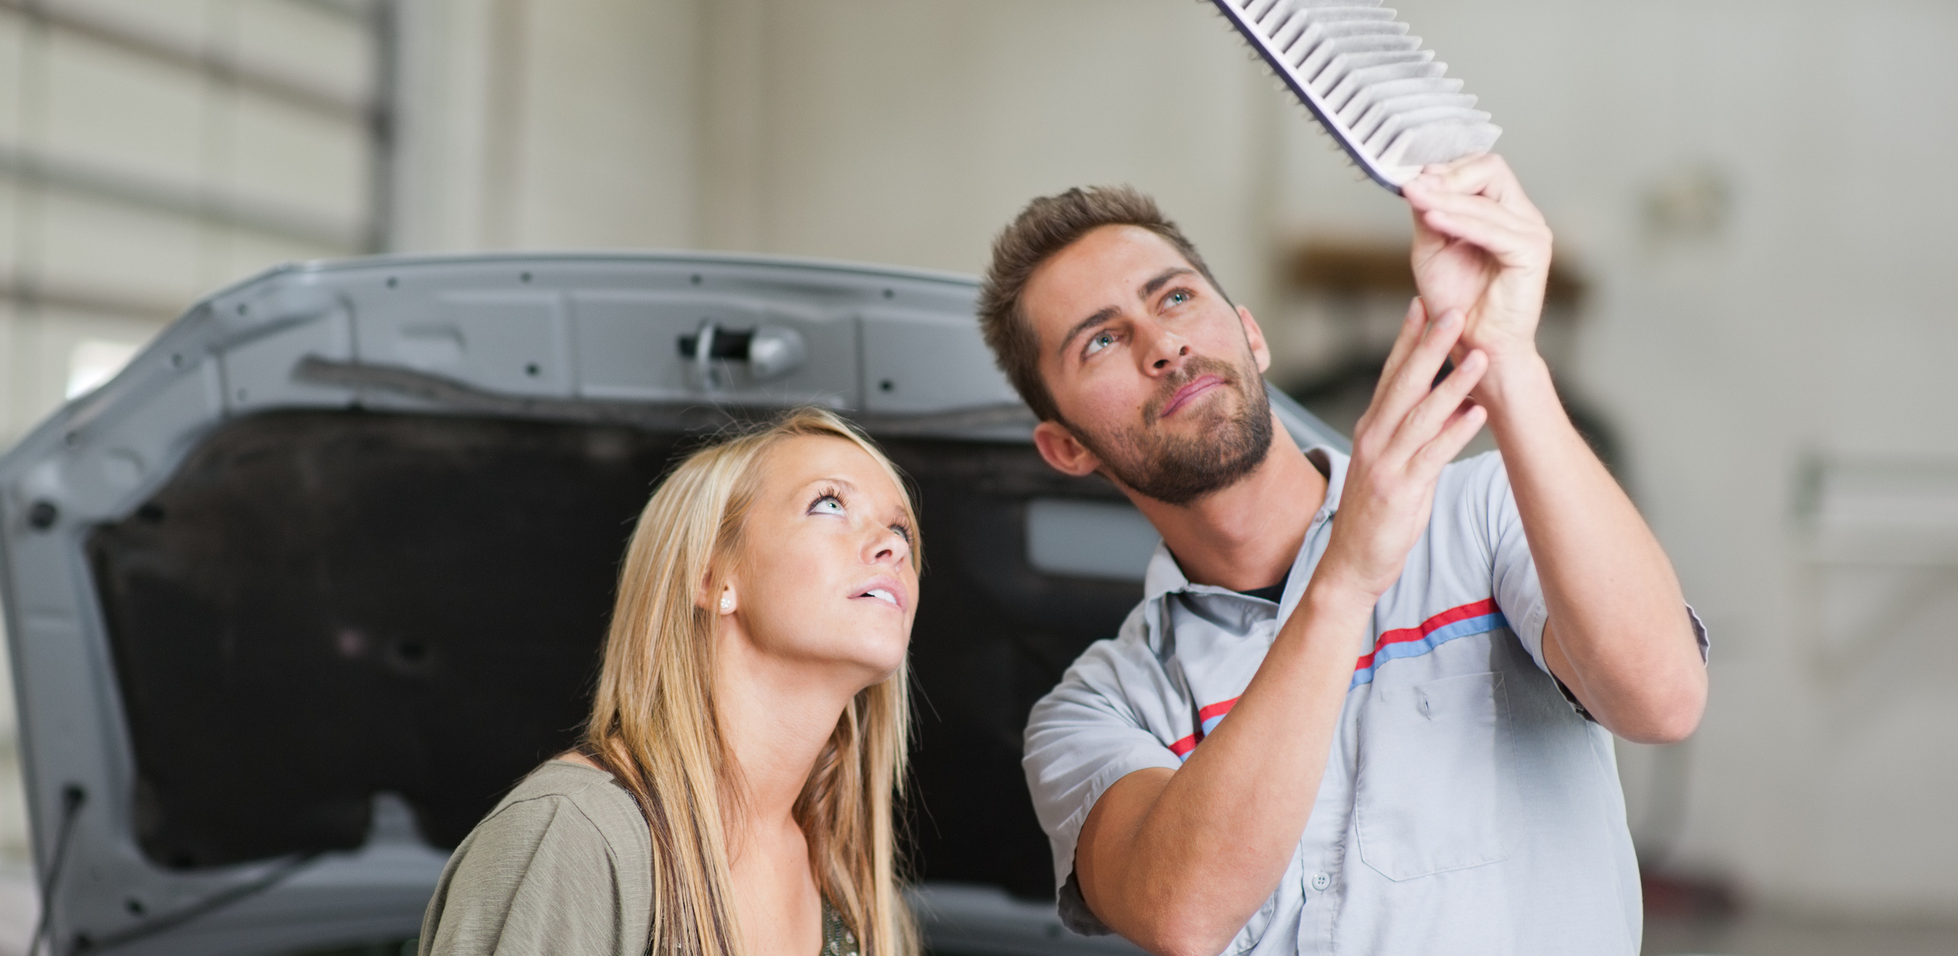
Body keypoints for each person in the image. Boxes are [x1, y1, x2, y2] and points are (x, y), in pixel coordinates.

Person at [982, 155, 1709, 955]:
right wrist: (1346, 577)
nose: (1164, 345)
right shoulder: (1099, 708)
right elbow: (1181, 912)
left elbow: (1662, 700)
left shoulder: (1488, 512)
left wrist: (1508, 360)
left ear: (1250, 334)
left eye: (1177, 297)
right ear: (1065, 448)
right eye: (1102, 342)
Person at [417, 408, 923, 956]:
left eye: (901, 530)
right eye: (829, 504)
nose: (892, 546)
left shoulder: (849, 892)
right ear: (710, 576)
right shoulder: (575, 835)